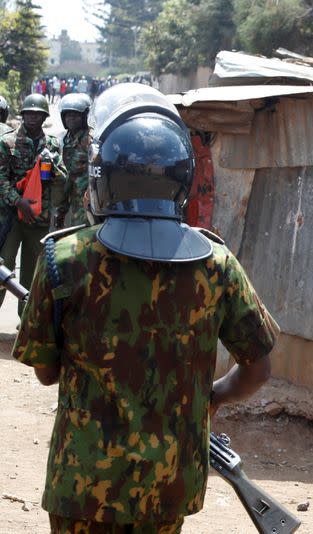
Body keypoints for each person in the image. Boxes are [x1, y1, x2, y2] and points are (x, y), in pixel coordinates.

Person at [13, 83, 280, 533]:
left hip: (82, 484)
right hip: (169, 485)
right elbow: (258, 368)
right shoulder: (216, 264)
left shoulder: (64, 260)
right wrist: (210, 399)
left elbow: (46, 370)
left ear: (104, 178)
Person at [0, 93, 68, 316]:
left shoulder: (52, 144)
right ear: (22, 115)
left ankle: (26, 322)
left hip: (38, 219)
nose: (32, 118)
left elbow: (62, 180)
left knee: (33, 273)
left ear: (44, 117)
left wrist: (52, 164)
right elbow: (1, 180)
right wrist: (19, 202)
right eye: (28, 113)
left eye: (37, 114)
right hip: (11, 217)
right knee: (4, 266)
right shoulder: (7, 142)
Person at [59, 92, 92, 226]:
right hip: (70, 196)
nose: (71, 118)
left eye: (76, 115)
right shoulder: (67, 138)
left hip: (86, 198)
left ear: (84, 117)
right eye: (68, 115)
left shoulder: (90, 139)